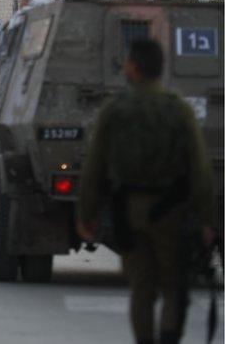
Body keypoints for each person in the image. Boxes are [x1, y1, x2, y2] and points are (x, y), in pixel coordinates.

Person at [77, 39, 215, 344]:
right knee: (172, 286)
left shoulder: (115, 109)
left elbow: (95, 168)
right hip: (171, 209)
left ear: (134, 67)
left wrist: (86, 214)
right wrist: (208, 219)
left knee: (142, 287)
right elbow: (199, 168)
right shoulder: (178, 109)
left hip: (128, 208)